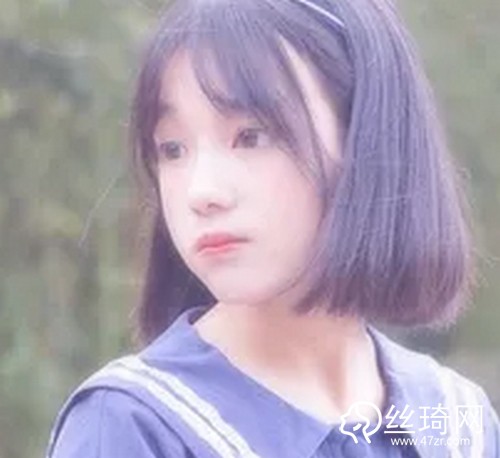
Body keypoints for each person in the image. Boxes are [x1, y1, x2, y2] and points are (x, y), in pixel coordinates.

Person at [45, 0, 500, 457]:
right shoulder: (132, 426)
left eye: (251, 136)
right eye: (172, 149)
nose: (201, 192)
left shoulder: (458, 424)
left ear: (366, 136)